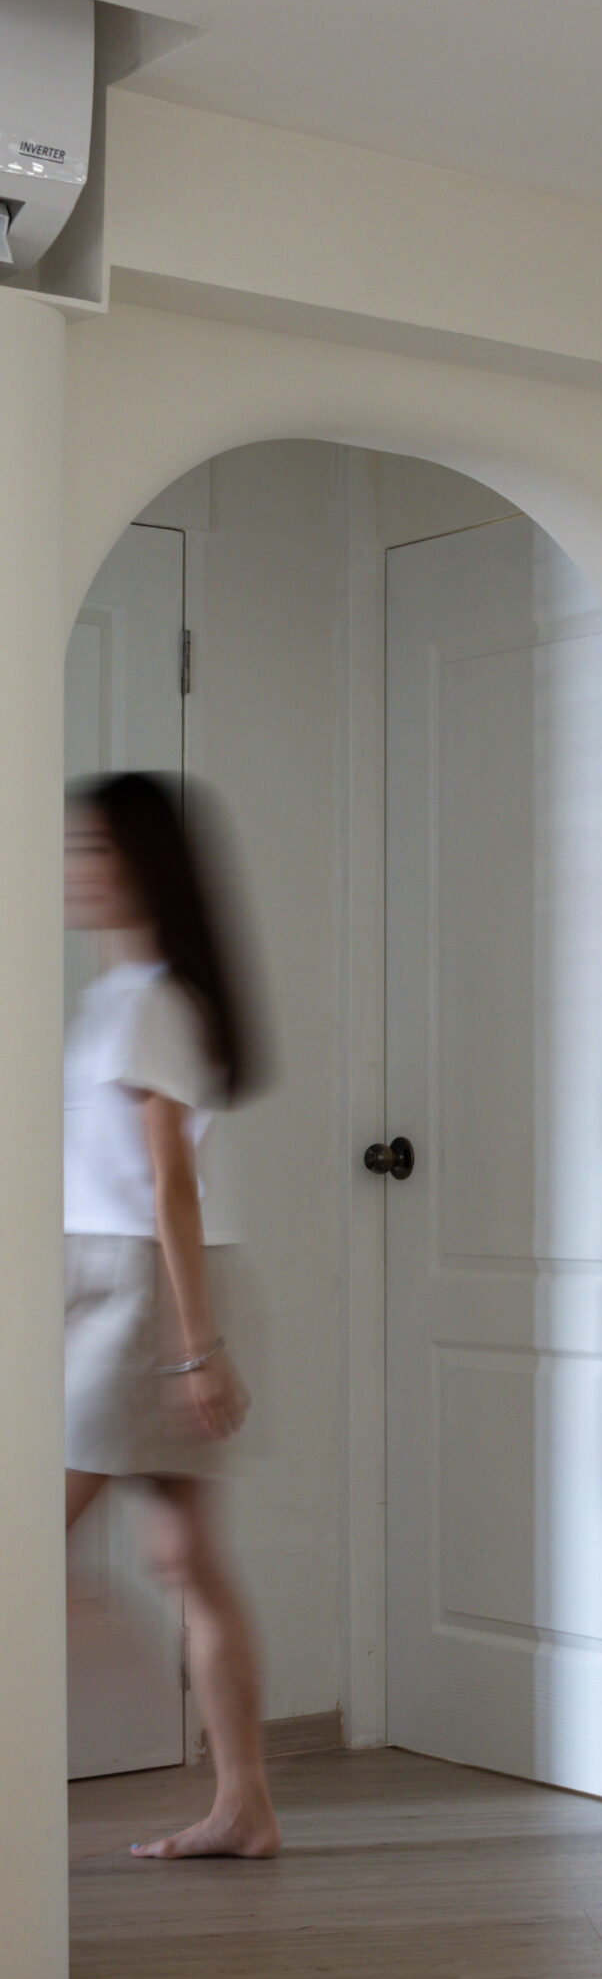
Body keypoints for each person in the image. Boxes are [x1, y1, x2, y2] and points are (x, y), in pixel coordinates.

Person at [63, 772, 280, 1860]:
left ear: (143, 864)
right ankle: (245, 1805)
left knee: (36, 1536)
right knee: (189, 1558)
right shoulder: (122, 996)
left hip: (145, 1293)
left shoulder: (152, 1003)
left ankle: (237, 1798)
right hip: (112, 1280)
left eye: (93, 848)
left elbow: (170, 1186)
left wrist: (197, 1349)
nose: (74, 868)